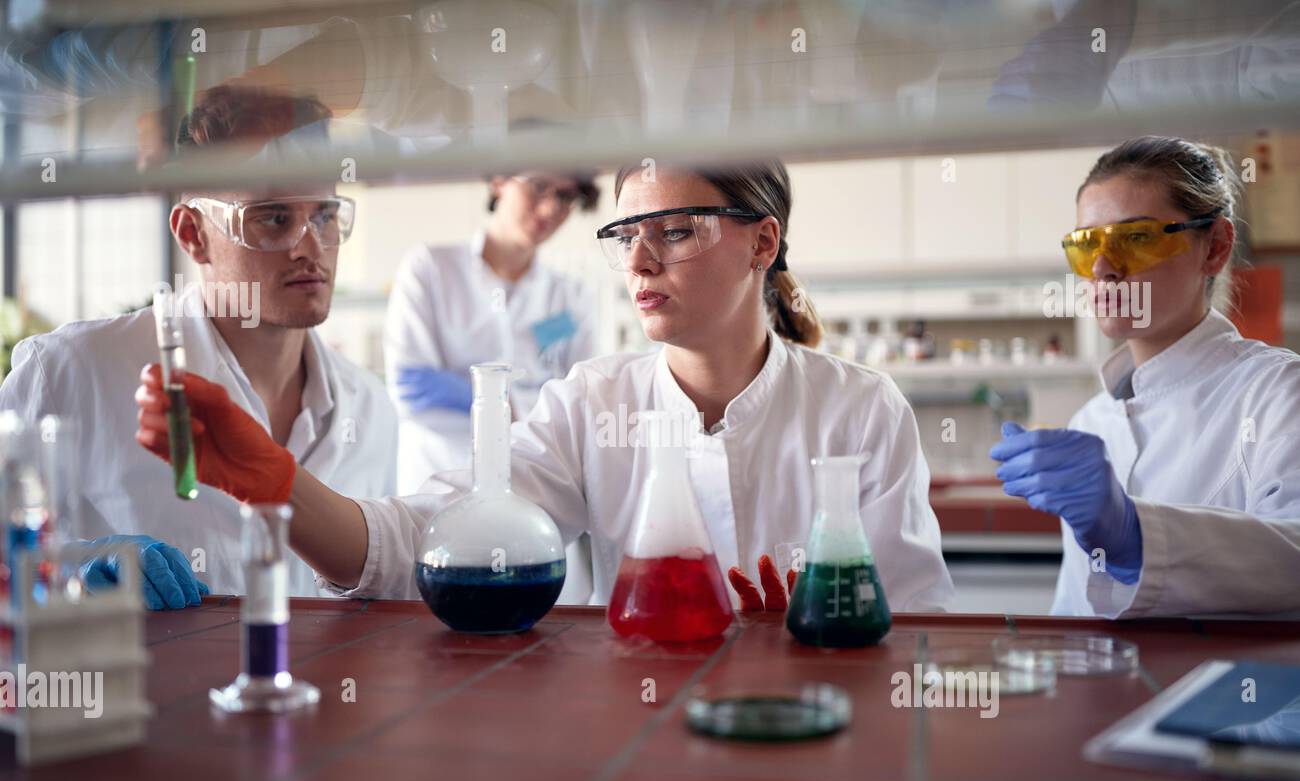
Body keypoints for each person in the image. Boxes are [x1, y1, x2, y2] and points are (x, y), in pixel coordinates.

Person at [135, 161, 954, 614]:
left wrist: (826, 629)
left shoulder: (861, 409)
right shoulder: (591, 405)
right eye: (625, 237)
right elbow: (423, 538)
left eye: (673, 232)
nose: (638, 262)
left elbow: (922, 624)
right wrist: (278, 486)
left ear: (761, 242)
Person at [1, 87, 397, 601]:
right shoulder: (69, 372)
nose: (310, 247)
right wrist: (71, 571)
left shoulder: (370, 410)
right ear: (192, 234)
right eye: (274, 217)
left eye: (323, 214)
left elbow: (381, 596)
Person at [991, 135, 1300, 618]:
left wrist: (1135, 535)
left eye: (1135, 239)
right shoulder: (1091, 420)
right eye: (1086, 245)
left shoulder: (1277, 393)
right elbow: (1075, 613)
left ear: (1215, 248)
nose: (1103, 269)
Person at [385, 170, 600, 492]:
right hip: (437, 487)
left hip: (534, 493)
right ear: (498, 181)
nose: (549, 210)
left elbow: (582, 404)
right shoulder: (430, 268)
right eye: (539, 187)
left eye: (565, 197)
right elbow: (411, 386)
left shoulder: (569, 296)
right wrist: (518, 408)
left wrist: (480, 398)